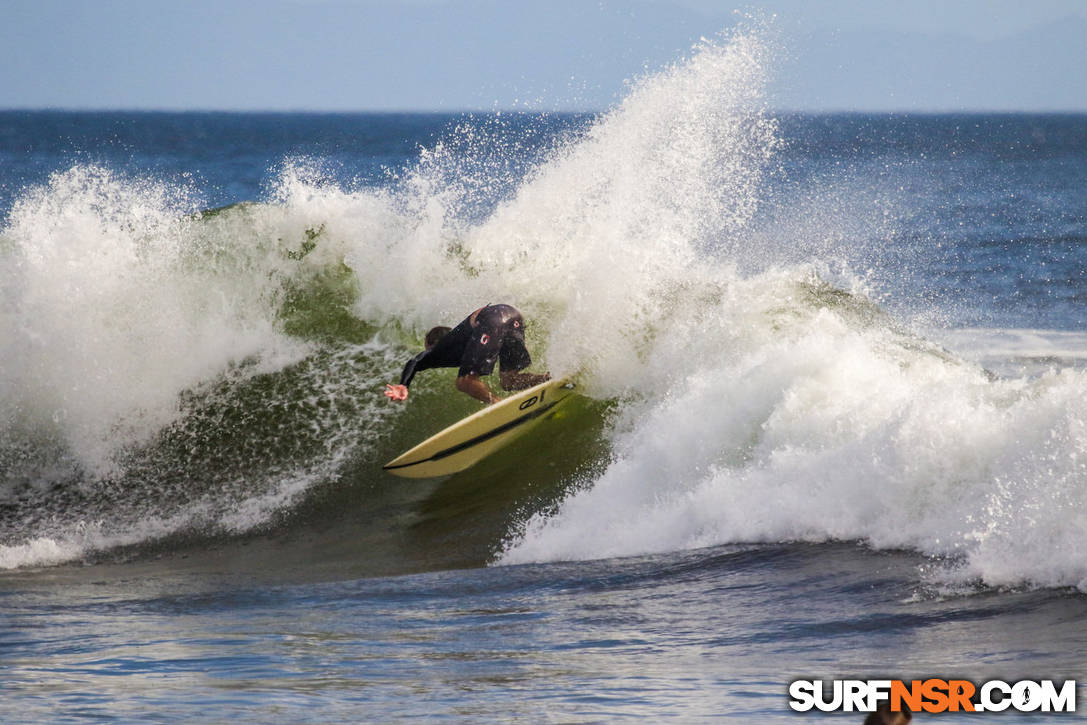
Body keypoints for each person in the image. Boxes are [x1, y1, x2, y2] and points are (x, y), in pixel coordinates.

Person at [384, 304, 550, 405]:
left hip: (493, 317)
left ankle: (500, 405)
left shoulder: (440, 348)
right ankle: (549, 379)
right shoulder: (464, 340)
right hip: (513, 316)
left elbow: (415, 361)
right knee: (509, 381)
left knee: (464, 382)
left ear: (431, 344)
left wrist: (403, 384)